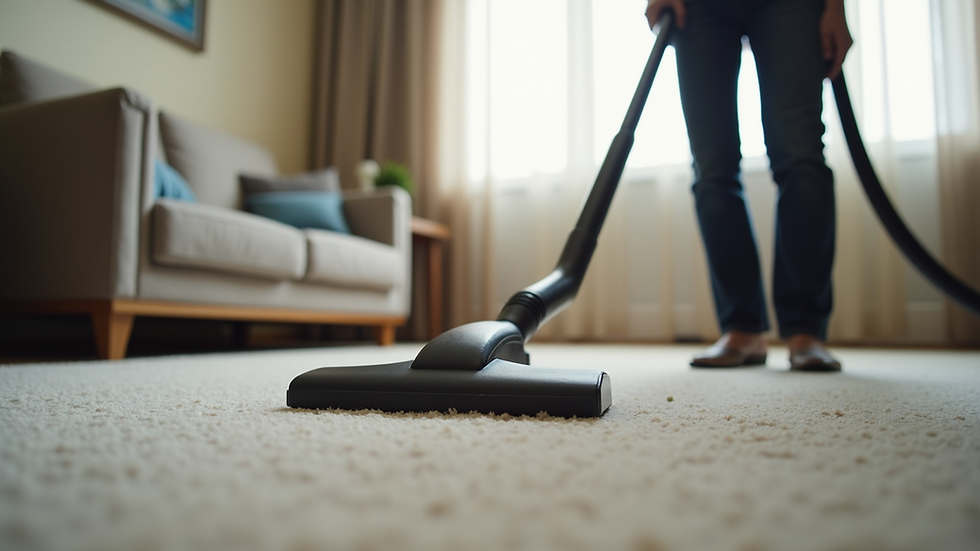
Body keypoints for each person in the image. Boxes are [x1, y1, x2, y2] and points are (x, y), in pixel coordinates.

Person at [645, 0, 853, 371]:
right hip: (699, 8)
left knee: (800, 157)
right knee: (712, 169)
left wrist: (835, 6)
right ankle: (743, 327)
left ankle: (805, 329)